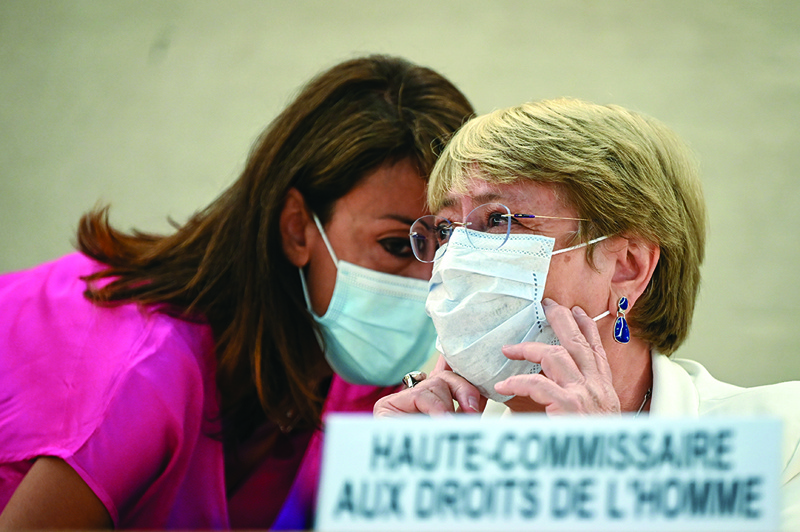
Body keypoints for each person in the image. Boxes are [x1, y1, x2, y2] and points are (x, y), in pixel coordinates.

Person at [0, 55, 474, 529]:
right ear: (296, 229)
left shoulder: (350, 372)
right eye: (397, 245)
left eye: (448, 242)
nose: (427, 281)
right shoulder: (143, 371)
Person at [373, 98, 800, 527]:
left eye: (500, 220)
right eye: (447, 228)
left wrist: (603, 483)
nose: (457, 256)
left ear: (626, 266)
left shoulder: (781, 440)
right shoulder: (447, 458)